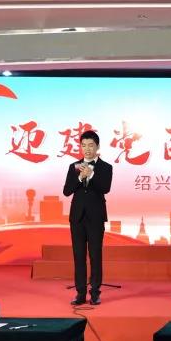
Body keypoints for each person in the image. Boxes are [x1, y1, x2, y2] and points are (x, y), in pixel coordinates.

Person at [62, 129, 113, 305]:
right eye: (84, 145)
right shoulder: (74, 166)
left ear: (97, 147)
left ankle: (95, 293)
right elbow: (66, 191)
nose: (87, 149)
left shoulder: (106, 167)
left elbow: (105, 188)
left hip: (96, 217)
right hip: (77, 217)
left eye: (91, 145)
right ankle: (80, 293)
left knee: (95, 255)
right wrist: (79, 178)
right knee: (78, 256)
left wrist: (91, 175)